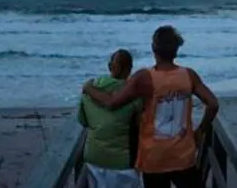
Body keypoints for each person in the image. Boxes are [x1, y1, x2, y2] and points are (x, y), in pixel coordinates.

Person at [83, 25, 220, 188]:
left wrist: (89, 88)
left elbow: (112, 103)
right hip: (183, 154)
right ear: (176, 51)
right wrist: (200, 131)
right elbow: (213, 104)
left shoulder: (144, 77)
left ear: (153, 48)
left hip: (154, 157)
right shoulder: (188, 75)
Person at [78, 49, 143, 188]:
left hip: (94, 158)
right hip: (123, 163)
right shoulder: (135, 95)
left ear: (109, 67)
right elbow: (140, 126)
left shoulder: (89, 91)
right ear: (129, 69)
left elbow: (83, 121)